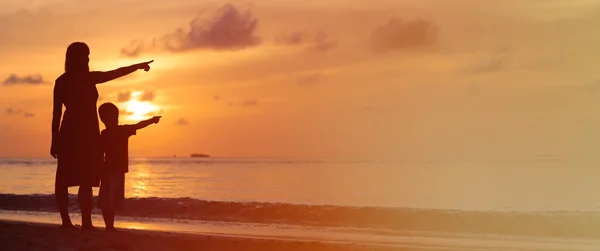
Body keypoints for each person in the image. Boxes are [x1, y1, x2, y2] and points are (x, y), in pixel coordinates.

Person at [51, 42, 153, 230]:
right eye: (84, 55)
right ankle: (66, 221)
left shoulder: (90, 78)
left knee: (87, 178)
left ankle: (86, 222)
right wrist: (54, 139)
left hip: (90, 134)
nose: (88, 59)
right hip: (71, 133)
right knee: (64, 178)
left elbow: (114, 73)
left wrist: (137, 66)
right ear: (74, 58)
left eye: (88, 55)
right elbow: (56, 112)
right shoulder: (63, 81)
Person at [97, 102, 161, 231]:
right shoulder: (116, 132)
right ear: (104, 119)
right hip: (111, 170)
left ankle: (110, 225)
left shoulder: (113, 132)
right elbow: (98, 152)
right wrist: (152, 121)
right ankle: (109, 226)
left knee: (109, 200)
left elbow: (139, 125)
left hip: (112, 170)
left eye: (116, 117)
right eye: (114, 117)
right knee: (109, 200)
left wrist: (151, 121)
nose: (116, 119)